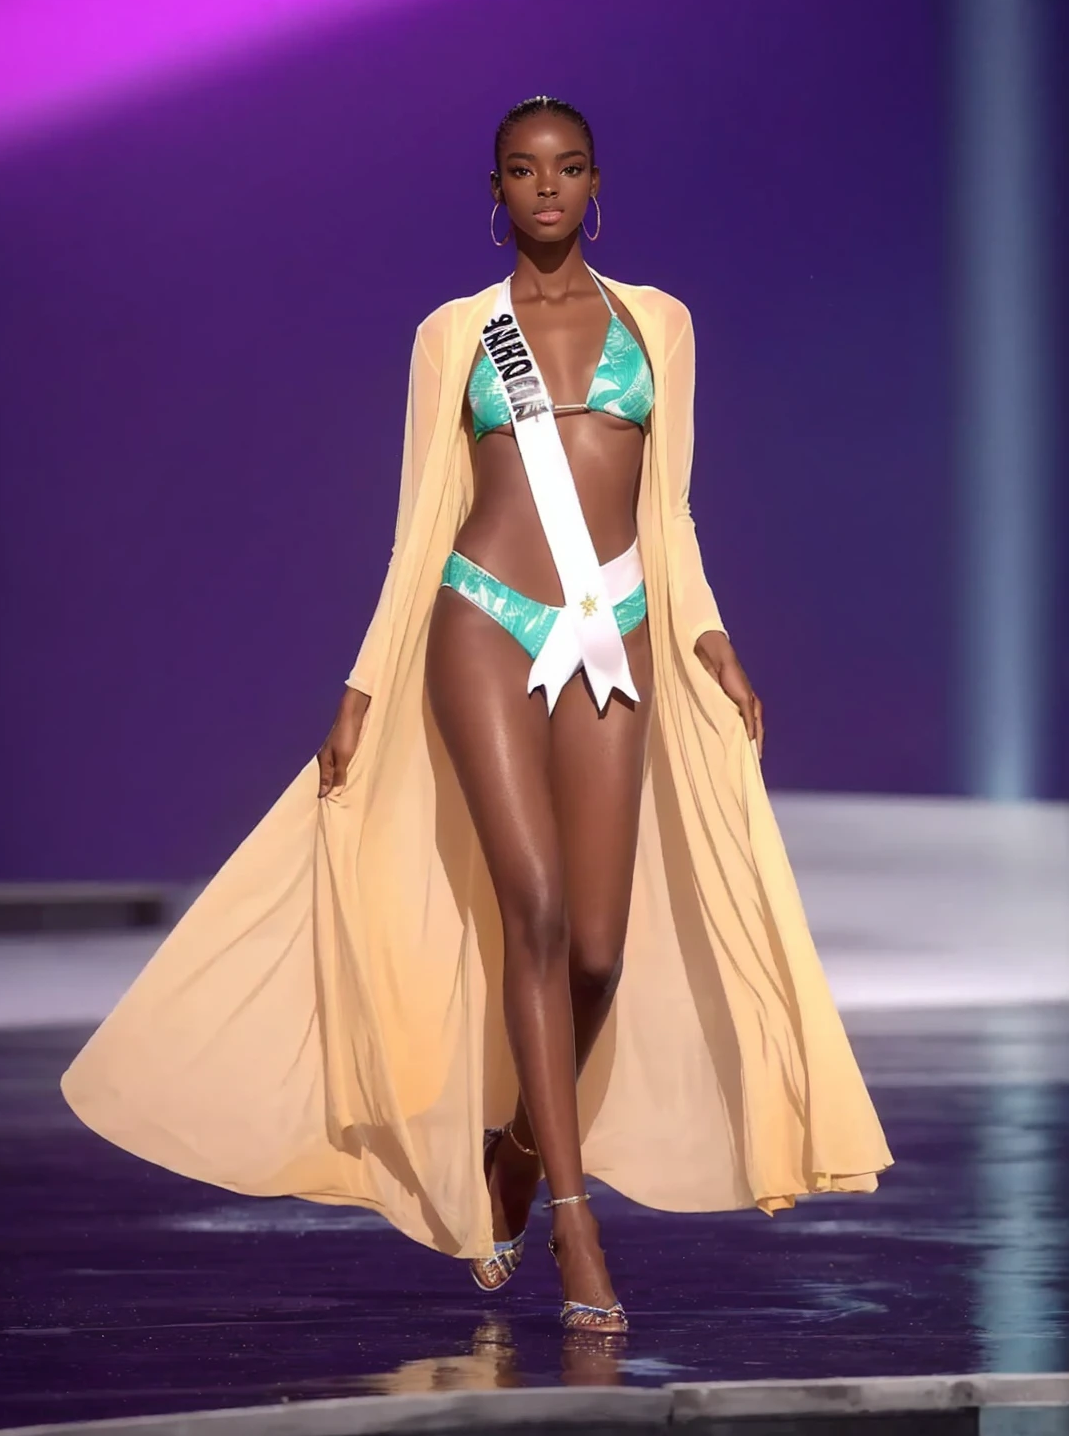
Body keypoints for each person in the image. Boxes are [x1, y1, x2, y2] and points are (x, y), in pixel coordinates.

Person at [61, 96, 892, 1336]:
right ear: (495, 191)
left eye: (568, 167)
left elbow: (670, 513)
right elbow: (417, 530)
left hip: (616, 625)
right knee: (534, 911)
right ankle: (572, 1220)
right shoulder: (456, 336)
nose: (546, 186)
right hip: (482, 619)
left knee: (598, 950)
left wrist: (712, 636)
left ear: (596, 183)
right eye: (522, 169)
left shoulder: (659, 324)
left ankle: (515, 1150)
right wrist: (360, 690)